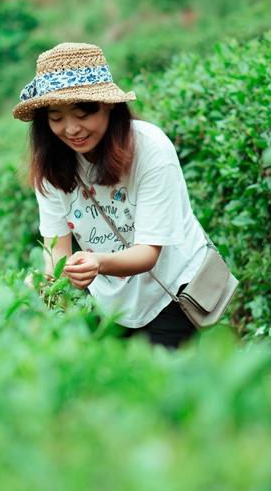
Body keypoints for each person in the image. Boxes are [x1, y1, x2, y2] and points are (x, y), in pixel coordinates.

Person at [14, 42, 211, 349]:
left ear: (107, 105)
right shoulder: (52, 166)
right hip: (112, 299)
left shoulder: (150, 149)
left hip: (172, 288)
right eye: (56, 118)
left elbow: (148, 253)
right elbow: (57, 252)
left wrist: (96, 263)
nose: (71, 129)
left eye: (82, 113)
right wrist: (49, 280)